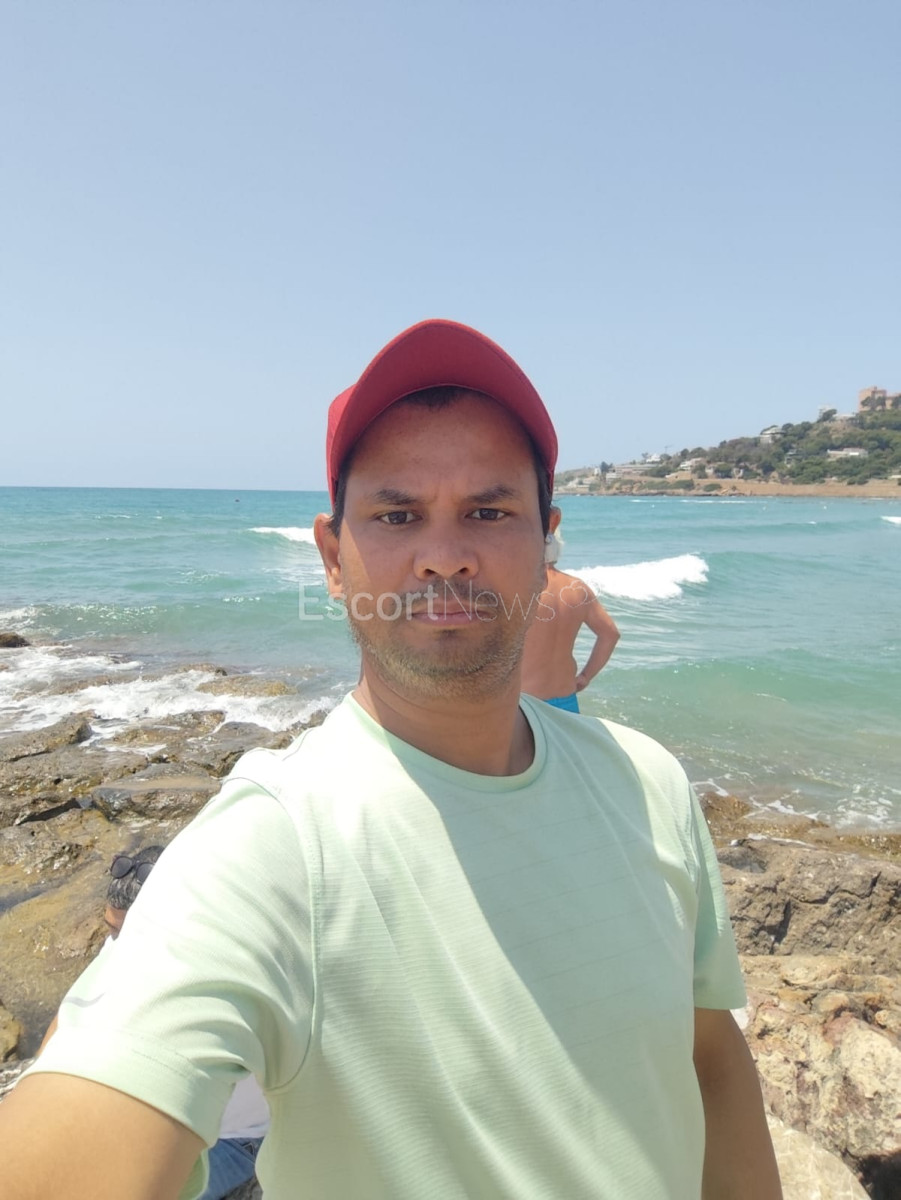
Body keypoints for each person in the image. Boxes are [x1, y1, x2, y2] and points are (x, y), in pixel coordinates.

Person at [1, 319, 782, 1199]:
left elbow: (709, 1058)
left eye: (488, 512)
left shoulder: (647, 781)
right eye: (397, 515)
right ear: (333, 558)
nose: (444, 556)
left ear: (547, 545)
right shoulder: (273, 846)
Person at [38, 847, 270, 1200]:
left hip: (232, 1141)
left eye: (129, 936)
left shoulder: (215, 985)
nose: (117, 946)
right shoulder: (129, 948)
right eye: (112, 930)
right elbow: (71, 1012)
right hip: (164, 1119)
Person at [520, 506, 620, 712]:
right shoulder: (577, 588)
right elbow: (610, 634)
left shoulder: (519, 589)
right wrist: (585, 677)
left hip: (526, 705)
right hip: (567, 699)